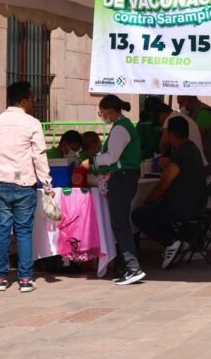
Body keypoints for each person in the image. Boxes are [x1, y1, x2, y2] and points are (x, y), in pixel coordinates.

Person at [0, 81, 53, 293]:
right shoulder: (33, 123)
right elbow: (39, 156)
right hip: (24, 184)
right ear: (24, 100)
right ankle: (25, 279)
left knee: (1, 231)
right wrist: (47, 184)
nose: (34, 101)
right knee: (23, 232)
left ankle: (1, 279)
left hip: (0, 183)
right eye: (32, 98)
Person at [131, 116, 207, 270]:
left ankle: (171, 241)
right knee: (154, 210)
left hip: (183, 208)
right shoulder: (193, 149)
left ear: (171, 135)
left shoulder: (180, 155)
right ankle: (178, 240)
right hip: (196, 205)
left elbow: (163, 185)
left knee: (138, 214)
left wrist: (148, 200)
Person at [84, 95, 144, 285]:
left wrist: (92, 162)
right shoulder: (123, 126)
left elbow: (111, 157)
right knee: (120, 222)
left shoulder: (120, 128)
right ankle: (128, 267)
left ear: (109, 110)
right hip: (125, 178)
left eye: (101, 112)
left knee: (120, 223)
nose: (102, 115)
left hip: (122, 178)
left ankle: (133, 267)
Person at [177, 95, 211, 175]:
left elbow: (196, 135)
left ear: (190, 99)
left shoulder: (205, 112)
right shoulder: (193, 113)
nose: (179, 107)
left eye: (181, 103)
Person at [157, 103, 208, 167]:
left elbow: (164, 143)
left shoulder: (171, 118)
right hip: (199, 162)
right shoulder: (182, 117)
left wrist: (162, 157)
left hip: (192, 164)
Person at [137, 97, 166, 161]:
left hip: (139, 158)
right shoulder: (156, 122)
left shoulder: (140, 122)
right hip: (153, 159)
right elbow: (163, 142)